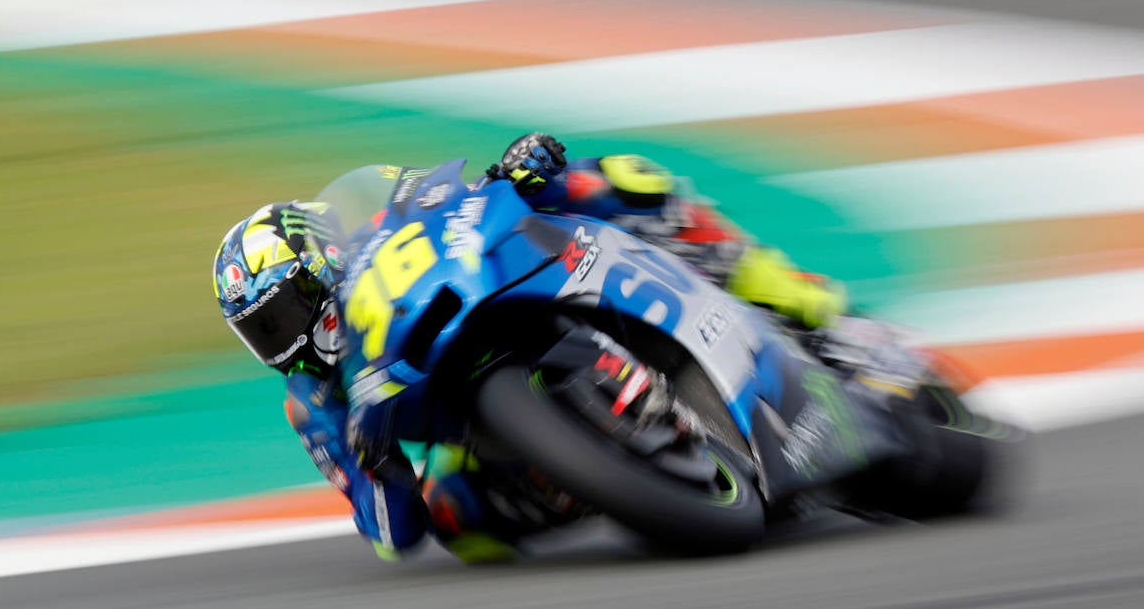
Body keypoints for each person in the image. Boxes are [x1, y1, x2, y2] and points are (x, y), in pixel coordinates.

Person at [212, 134, 845, 562]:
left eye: (286, 310)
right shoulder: (311, 402)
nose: (286, 337)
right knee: (456, 521)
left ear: (320, 261)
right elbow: (392, 535)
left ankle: (781, 287)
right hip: (467, 424)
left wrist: (516, 171)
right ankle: (614, 475)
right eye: (262, 330)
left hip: (484, 289)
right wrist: (369, 453)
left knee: (621, 177)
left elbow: (438, 195)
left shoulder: (369, 229)